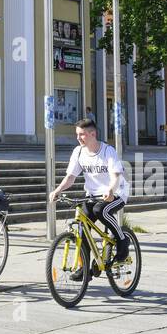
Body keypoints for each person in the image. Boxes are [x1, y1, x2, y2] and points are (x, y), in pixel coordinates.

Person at [48, 116, 130, 276]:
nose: (78, 138)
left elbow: (115, 176)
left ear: (93, 134)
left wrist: (111, 190)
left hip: (116, 193)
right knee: (81, 226)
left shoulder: (107, 151)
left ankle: (122, 240)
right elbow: (70, 177)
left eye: (82, 135)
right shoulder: (78, 152)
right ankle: (84, 268)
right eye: (77, 135)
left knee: (102, 210)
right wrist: (57, 190)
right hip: (92, 195)